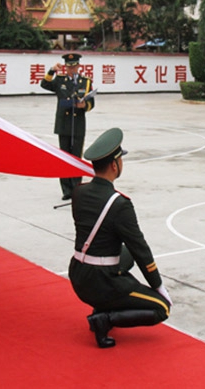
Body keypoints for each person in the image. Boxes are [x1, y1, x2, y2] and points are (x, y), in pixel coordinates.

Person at [69, 128, 171, 349]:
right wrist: (158, 286)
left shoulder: (78, 192)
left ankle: (101, 306)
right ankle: (104, 319)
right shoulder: (119, 203)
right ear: (115, 165)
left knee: (125, 256)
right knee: (161, 308)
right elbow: (140, 248)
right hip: (100, 281)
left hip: (78, 273)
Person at [40, 53, 95, 200]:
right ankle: (66, 190)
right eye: (69, 67)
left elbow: (92, 103)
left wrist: (85, 105)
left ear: (78, 66)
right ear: (65, 67)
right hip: (63, 123)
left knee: (76, 157)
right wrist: (52, 71)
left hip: (78, 124)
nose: (72, 69)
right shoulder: (59, 80)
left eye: (74, 66)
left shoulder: (86, 82)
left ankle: (76, 188)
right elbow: (44, 84)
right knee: (64, 157)